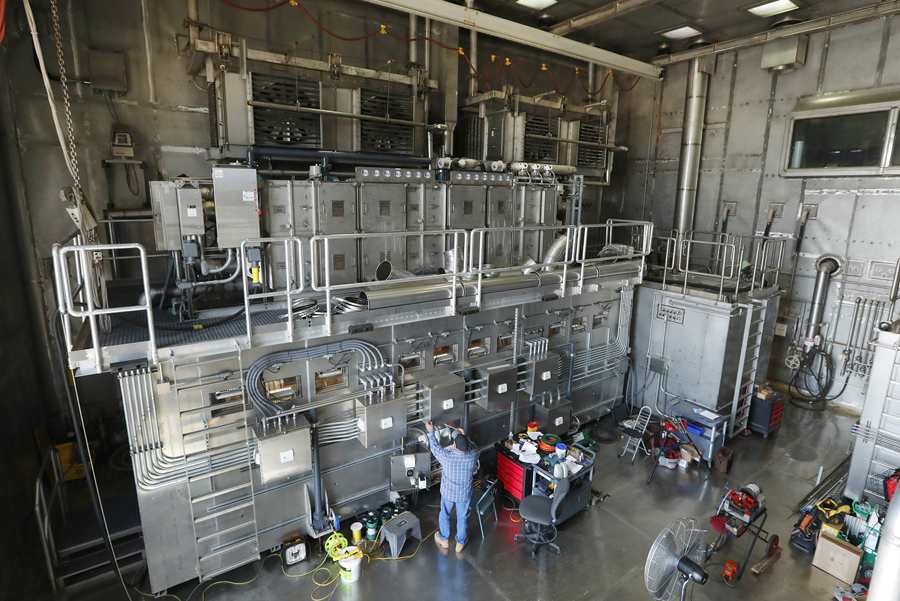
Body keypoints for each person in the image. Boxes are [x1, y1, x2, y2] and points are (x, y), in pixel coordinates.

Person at [426, 421, 480, 553]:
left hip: (448, 493)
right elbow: (475, 447)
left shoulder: (447, 457)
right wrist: (464, 437)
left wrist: (430, 431)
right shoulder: (472, 455)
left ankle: (444, 539)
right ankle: (460, 543)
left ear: (454, 445)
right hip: (464, 495)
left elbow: (434, 447)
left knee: (445, 514)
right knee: (462, 518)